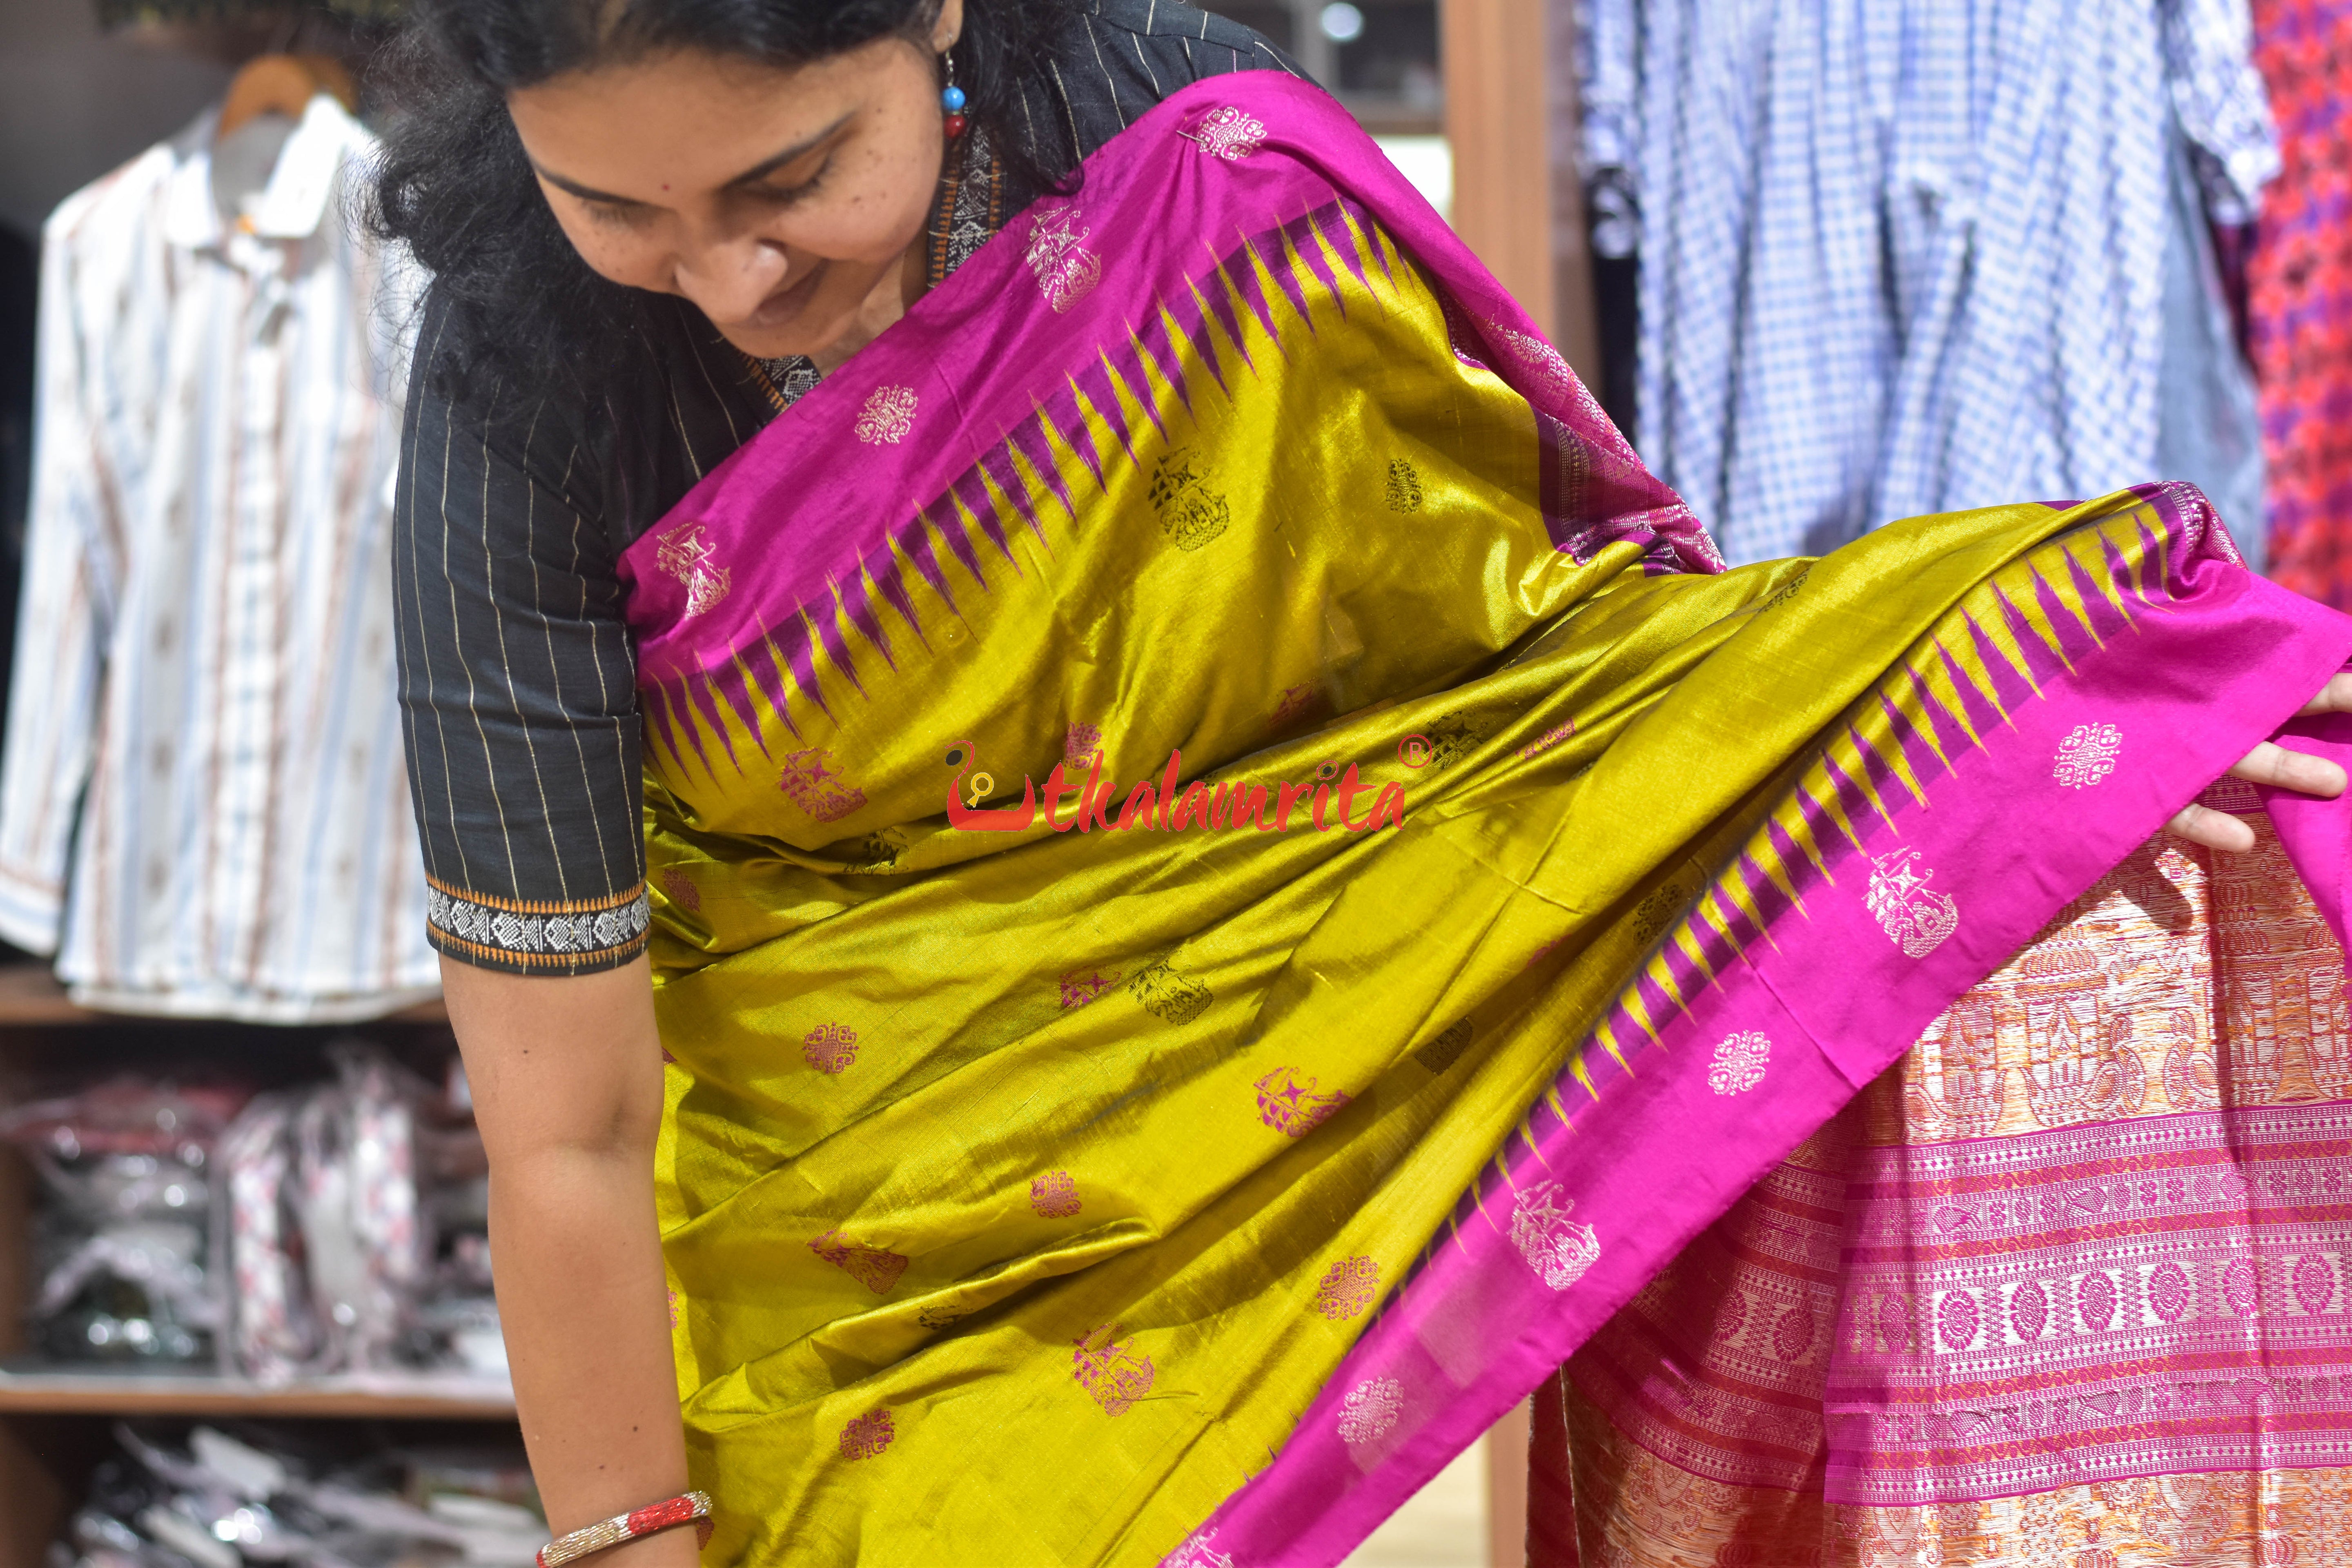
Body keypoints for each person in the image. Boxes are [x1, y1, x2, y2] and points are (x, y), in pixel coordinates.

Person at [371, 0, 2352, 1562]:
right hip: (860, 1227)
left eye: (792, 176)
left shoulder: (1198, 167)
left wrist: (1991, 759)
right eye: (620, 211)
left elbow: (1523, 674)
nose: (725, 280)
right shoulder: (520, 381)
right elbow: (564, 1113)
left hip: (1326, 1010)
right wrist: (617, 1546)